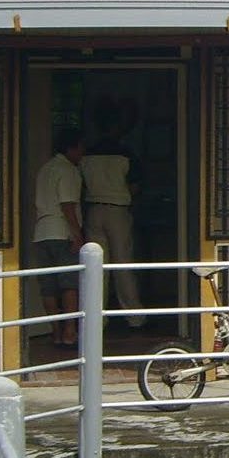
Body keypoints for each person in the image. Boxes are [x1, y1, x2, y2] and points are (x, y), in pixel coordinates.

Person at [81, 102, 146, 328]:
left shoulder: (86, 154)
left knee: (95, 264)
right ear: (117, 127)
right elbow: (135, 186)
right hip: (118, 209)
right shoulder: (126, 154)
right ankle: (134, 316)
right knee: (122, 263)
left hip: (93, 209)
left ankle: (96, 318)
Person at [33, 127, 85, 347]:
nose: (83, 153)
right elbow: (67, 205)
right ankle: (70, 332)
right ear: (71, 148)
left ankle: (55, 332)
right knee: (69, 285)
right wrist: (78, 235)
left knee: (48, 286)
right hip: (60, 231)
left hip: (41, 232)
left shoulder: (45, 168)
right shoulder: (67, 170)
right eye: (81, 148)